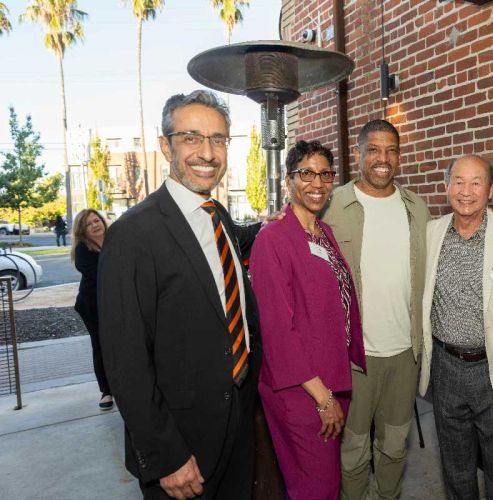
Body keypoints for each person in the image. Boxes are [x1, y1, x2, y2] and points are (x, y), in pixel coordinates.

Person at [98, 90, 262, 500]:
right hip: (181, 448)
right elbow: (125, 362)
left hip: (236, 425)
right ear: (164, 145)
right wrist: (165, 455)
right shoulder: (134, 235)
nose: (207, 152)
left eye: (219, 139)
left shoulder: (217, 216)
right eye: (192, 137)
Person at [249, 140, 366, 499]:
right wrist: (323, 398)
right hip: (301, 390)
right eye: (306, 174)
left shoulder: (322, 232)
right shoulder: (273, 238)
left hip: (329, 376)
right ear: (288, 181)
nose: (317, 183)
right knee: (316, 487)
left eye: (325, 174)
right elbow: (277, 331)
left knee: (324, 482)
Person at [321, 119, 429, 499]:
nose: (383, 159)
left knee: (395, 447)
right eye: (374, 150)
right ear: (359, 154)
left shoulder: (416, 208)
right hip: (352, 358)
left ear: (399, 156)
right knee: (352, 452)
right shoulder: (332, 206)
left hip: (403, 355)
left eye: (391, 151)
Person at [419, 155, 493, 499]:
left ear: (491, 189)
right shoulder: (431, 233)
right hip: (446, 368)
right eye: (459, 182)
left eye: (477, 182)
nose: (467, 191)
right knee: (456, 468)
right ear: (446, 186)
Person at [71, 208, 112, 410]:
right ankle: (106, 391)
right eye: (89, 223)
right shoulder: (82, 250)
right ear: (83, 230)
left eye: (97, 220)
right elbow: (101, 275)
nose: (95, 225)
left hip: (114, 301)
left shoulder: (114, 240)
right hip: (92, 304)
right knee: (100, 344)